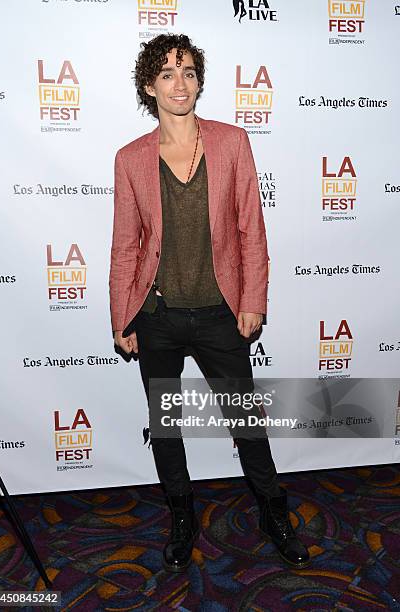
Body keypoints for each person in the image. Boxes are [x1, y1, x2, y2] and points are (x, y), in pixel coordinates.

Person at [109, 33, 309, 573]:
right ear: (149, 86)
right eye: (168, 74)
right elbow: (126, 245)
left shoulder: (232, 142)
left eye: (190, 72)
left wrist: (253, 299)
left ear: (199, 81)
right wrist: (121, 316)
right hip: (157, 316)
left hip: (221, 312)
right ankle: (181, 515)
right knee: (167, 425)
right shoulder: (130, 160)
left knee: (247, 421)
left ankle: (273, 511)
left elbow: (252, 229)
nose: (181, 84)